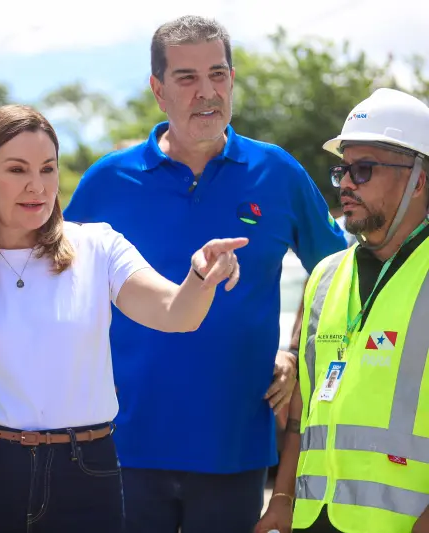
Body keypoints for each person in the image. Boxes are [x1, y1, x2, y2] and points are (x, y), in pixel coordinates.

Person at [63, 15, 349, 533]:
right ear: (158, 90)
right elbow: (57, 287)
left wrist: (295, 355)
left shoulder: (278, 173)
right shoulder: (107, 181)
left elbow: (339, 276)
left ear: (232, 81)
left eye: (217, 74)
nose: (207, 92)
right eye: (187, 78)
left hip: (234, 446)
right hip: (123, 444)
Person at [0, 103, 247, 533]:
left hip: (84, 472)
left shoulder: (98, 246)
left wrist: (200, 276)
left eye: (47, 169)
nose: (37, 186)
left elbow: (176, 313)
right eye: (16, 169)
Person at [256, 88, 429, 533]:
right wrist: (282, 497)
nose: (346, 184)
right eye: (342, 170)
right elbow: (304, 408)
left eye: (363, 170)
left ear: (418, 181)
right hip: (314, 519)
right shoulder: (326, 275)